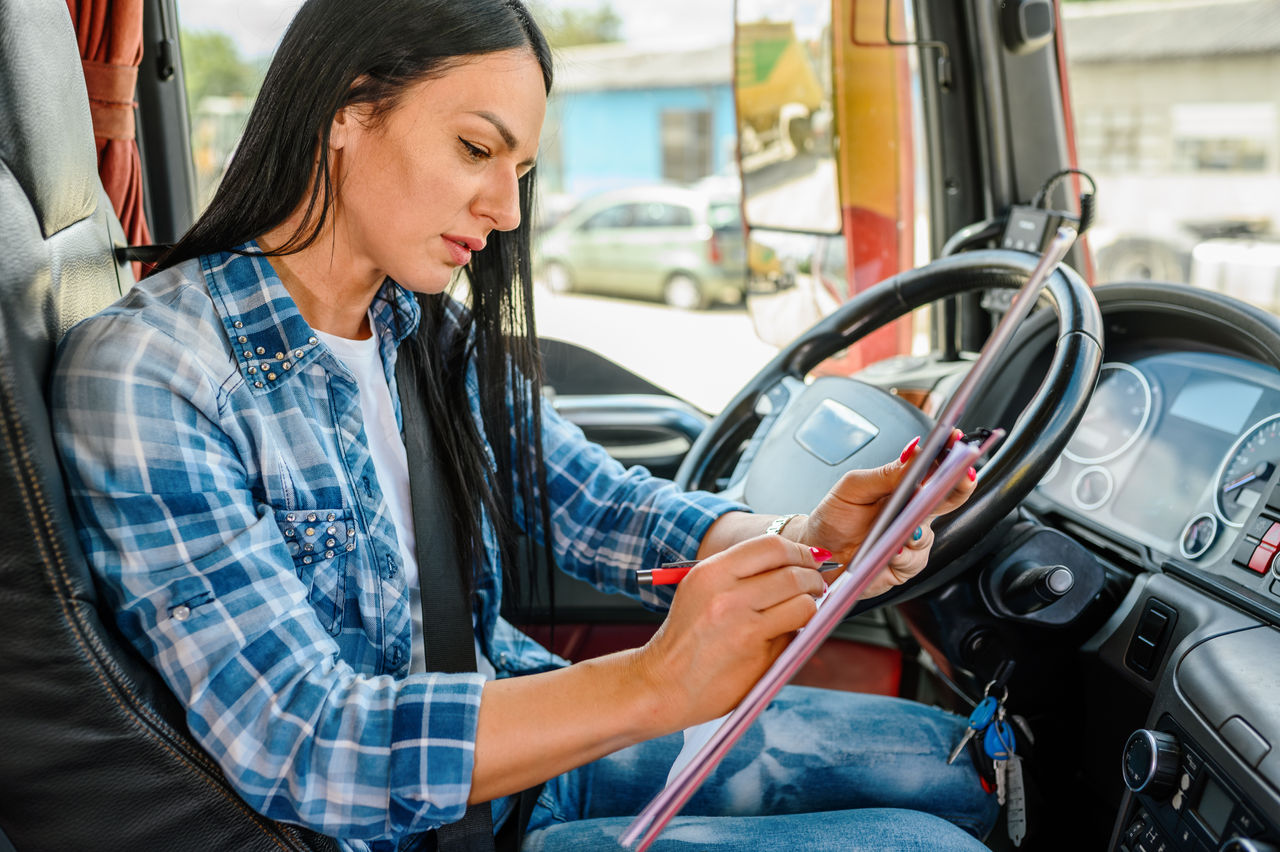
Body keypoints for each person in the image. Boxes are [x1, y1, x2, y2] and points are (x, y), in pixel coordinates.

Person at [49, 1, 999, 850]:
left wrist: (807, 538)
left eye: (521, 169)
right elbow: (310, 745)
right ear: (348, 109)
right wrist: (652, 684)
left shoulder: (420, 325)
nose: (506, 211)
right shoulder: (155, 374)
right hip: (402, 830)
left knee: (956, 770)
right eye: (475, 149)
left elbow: (591, 502)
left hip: (519, 751)